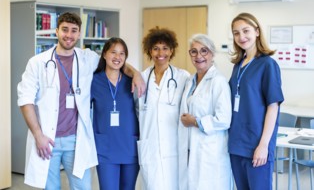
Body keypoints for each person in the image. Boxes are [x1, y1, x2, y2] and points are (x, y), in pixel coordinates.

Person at [17, 12, 145, 189]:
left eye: (74, 31)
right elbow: (25, 100)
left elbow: (115, 61)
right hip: (47, 140)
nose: (69, 35)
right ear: (56, 31)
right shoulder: (37, 62)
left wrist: (136, 73)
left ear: (79, 34)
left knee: (82, 187)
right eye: (65, 30)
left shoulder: (87, 58)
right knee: (51, 187)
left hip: (76, 140)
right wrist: (38, 135)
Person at [228, 12, 284, 190]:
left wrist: (263, 146)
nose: (241, 37)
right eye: (236, 33)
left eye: (246, 31)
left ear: (257, 31)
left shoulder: (267, 64)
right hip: (236, 143)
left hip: (256, 144)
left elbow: (272, 107)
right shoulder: (238, 65)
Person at [136, 27, 190, 190]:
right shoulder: (142, 78)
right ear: (149, 51)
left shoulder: (183, 77)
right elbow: (137, 110)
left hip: (174, 145)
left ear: (172, 50)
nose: (161, 53)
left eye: (165, 48)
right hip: (150, 146)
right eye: (156, 48)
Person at [178, 34, 233, 190]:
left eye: (204, 51)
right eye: (193, 52)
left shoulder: (218, 81)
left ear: (212, 54)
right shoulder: (190, 81)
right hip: (192, 148)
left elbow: (224, 119)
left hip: (210, 151)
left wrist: (195, 121)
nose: (199, 56)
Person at [90, 37, 139, 190]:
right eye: (113, 52)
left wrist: (136, 73)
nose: (117, 57)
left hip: (130, 146)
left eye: (122, 54)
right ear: (104, 54)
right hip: (105, 148)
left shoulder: (133, 81)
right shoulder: (93, 81)